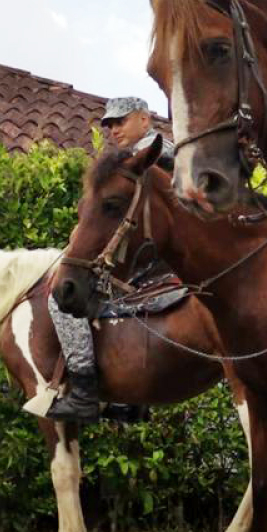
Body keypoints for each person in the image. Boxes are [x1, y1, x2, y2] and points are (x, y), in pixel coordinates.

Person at [46, 97, 173, 424]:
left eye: (121, 121)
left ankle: (84, 393)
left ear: (145, 120)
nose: (114, 129)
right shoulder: (123, 163)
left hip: (150, 263)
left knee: (60, 303)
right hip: (147, 261)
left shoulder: (155, 155)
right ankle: (130, 398)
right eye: (110, 124)